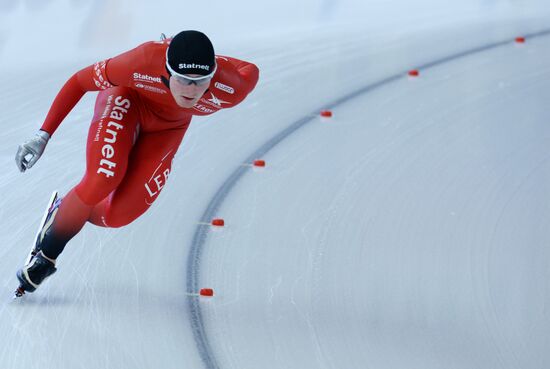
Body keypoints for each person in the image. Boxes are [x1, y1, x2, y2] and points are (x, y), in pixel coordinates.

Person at [14, 30, 259, 296]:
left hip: (168, 129)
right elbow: (79, 81)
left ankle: (68, 209)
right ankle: (47, 257)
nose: (191, 90)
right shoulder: (142, 62)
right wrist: (43, 135)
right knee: (104, 178)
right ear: (166, 71)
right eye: (182, 80)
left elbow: (252, 69)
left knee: (115, 216)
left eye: (201, 81)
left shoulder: (232, 87)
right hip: (127, 100)